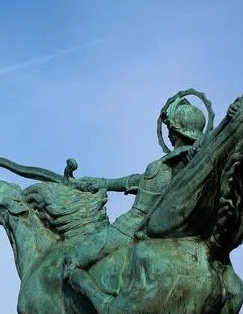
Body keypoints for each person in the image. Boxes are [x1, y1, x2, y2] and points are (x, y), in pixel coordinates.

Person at [60, 96, 208, 296]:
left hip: (131, 227)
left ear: (176, 130)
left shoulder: (179, 163)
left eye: (170, 129)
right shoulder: (171, 165)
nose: (169, 134)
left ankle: (98, 305)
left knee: (73, 259)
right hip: (148, 225)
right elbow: (134, 181)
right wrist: (100, 183)